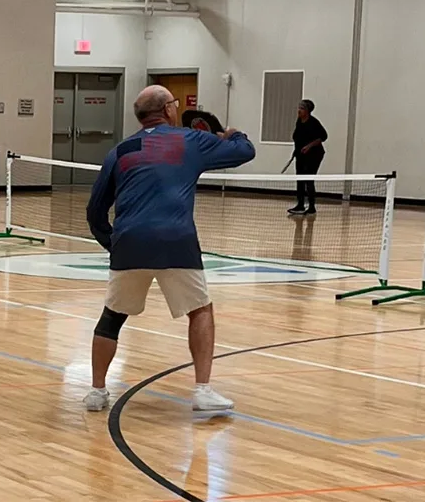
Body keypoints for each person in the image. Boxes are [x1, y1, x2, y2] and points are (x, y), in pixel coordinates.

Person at [84, 85, 255, 413]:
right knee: (200, 310)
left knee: (112, 317)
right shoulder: (189, 141)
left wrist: (113, 244)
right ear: (168, 110)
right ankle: (203, 390)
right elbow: (244, 151)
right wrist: (234, 134)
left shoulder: (118, 152)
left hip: (129, 244)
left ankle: (96, 392)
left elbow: (95, 211)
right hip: (176, 241)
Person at [289, 99, 328, 216]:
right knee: (300, 179)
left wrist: (309, 146)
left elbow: (324, 136)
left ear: (307, 111)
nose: (299, 110)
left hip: (314, 155)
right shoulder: (299, 121)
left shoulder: (313, 123)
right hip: (301, 156)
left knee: (308, 180)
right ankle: (300, 205)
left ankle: (311, 207)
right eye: (299, 107)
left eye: (302, 108)